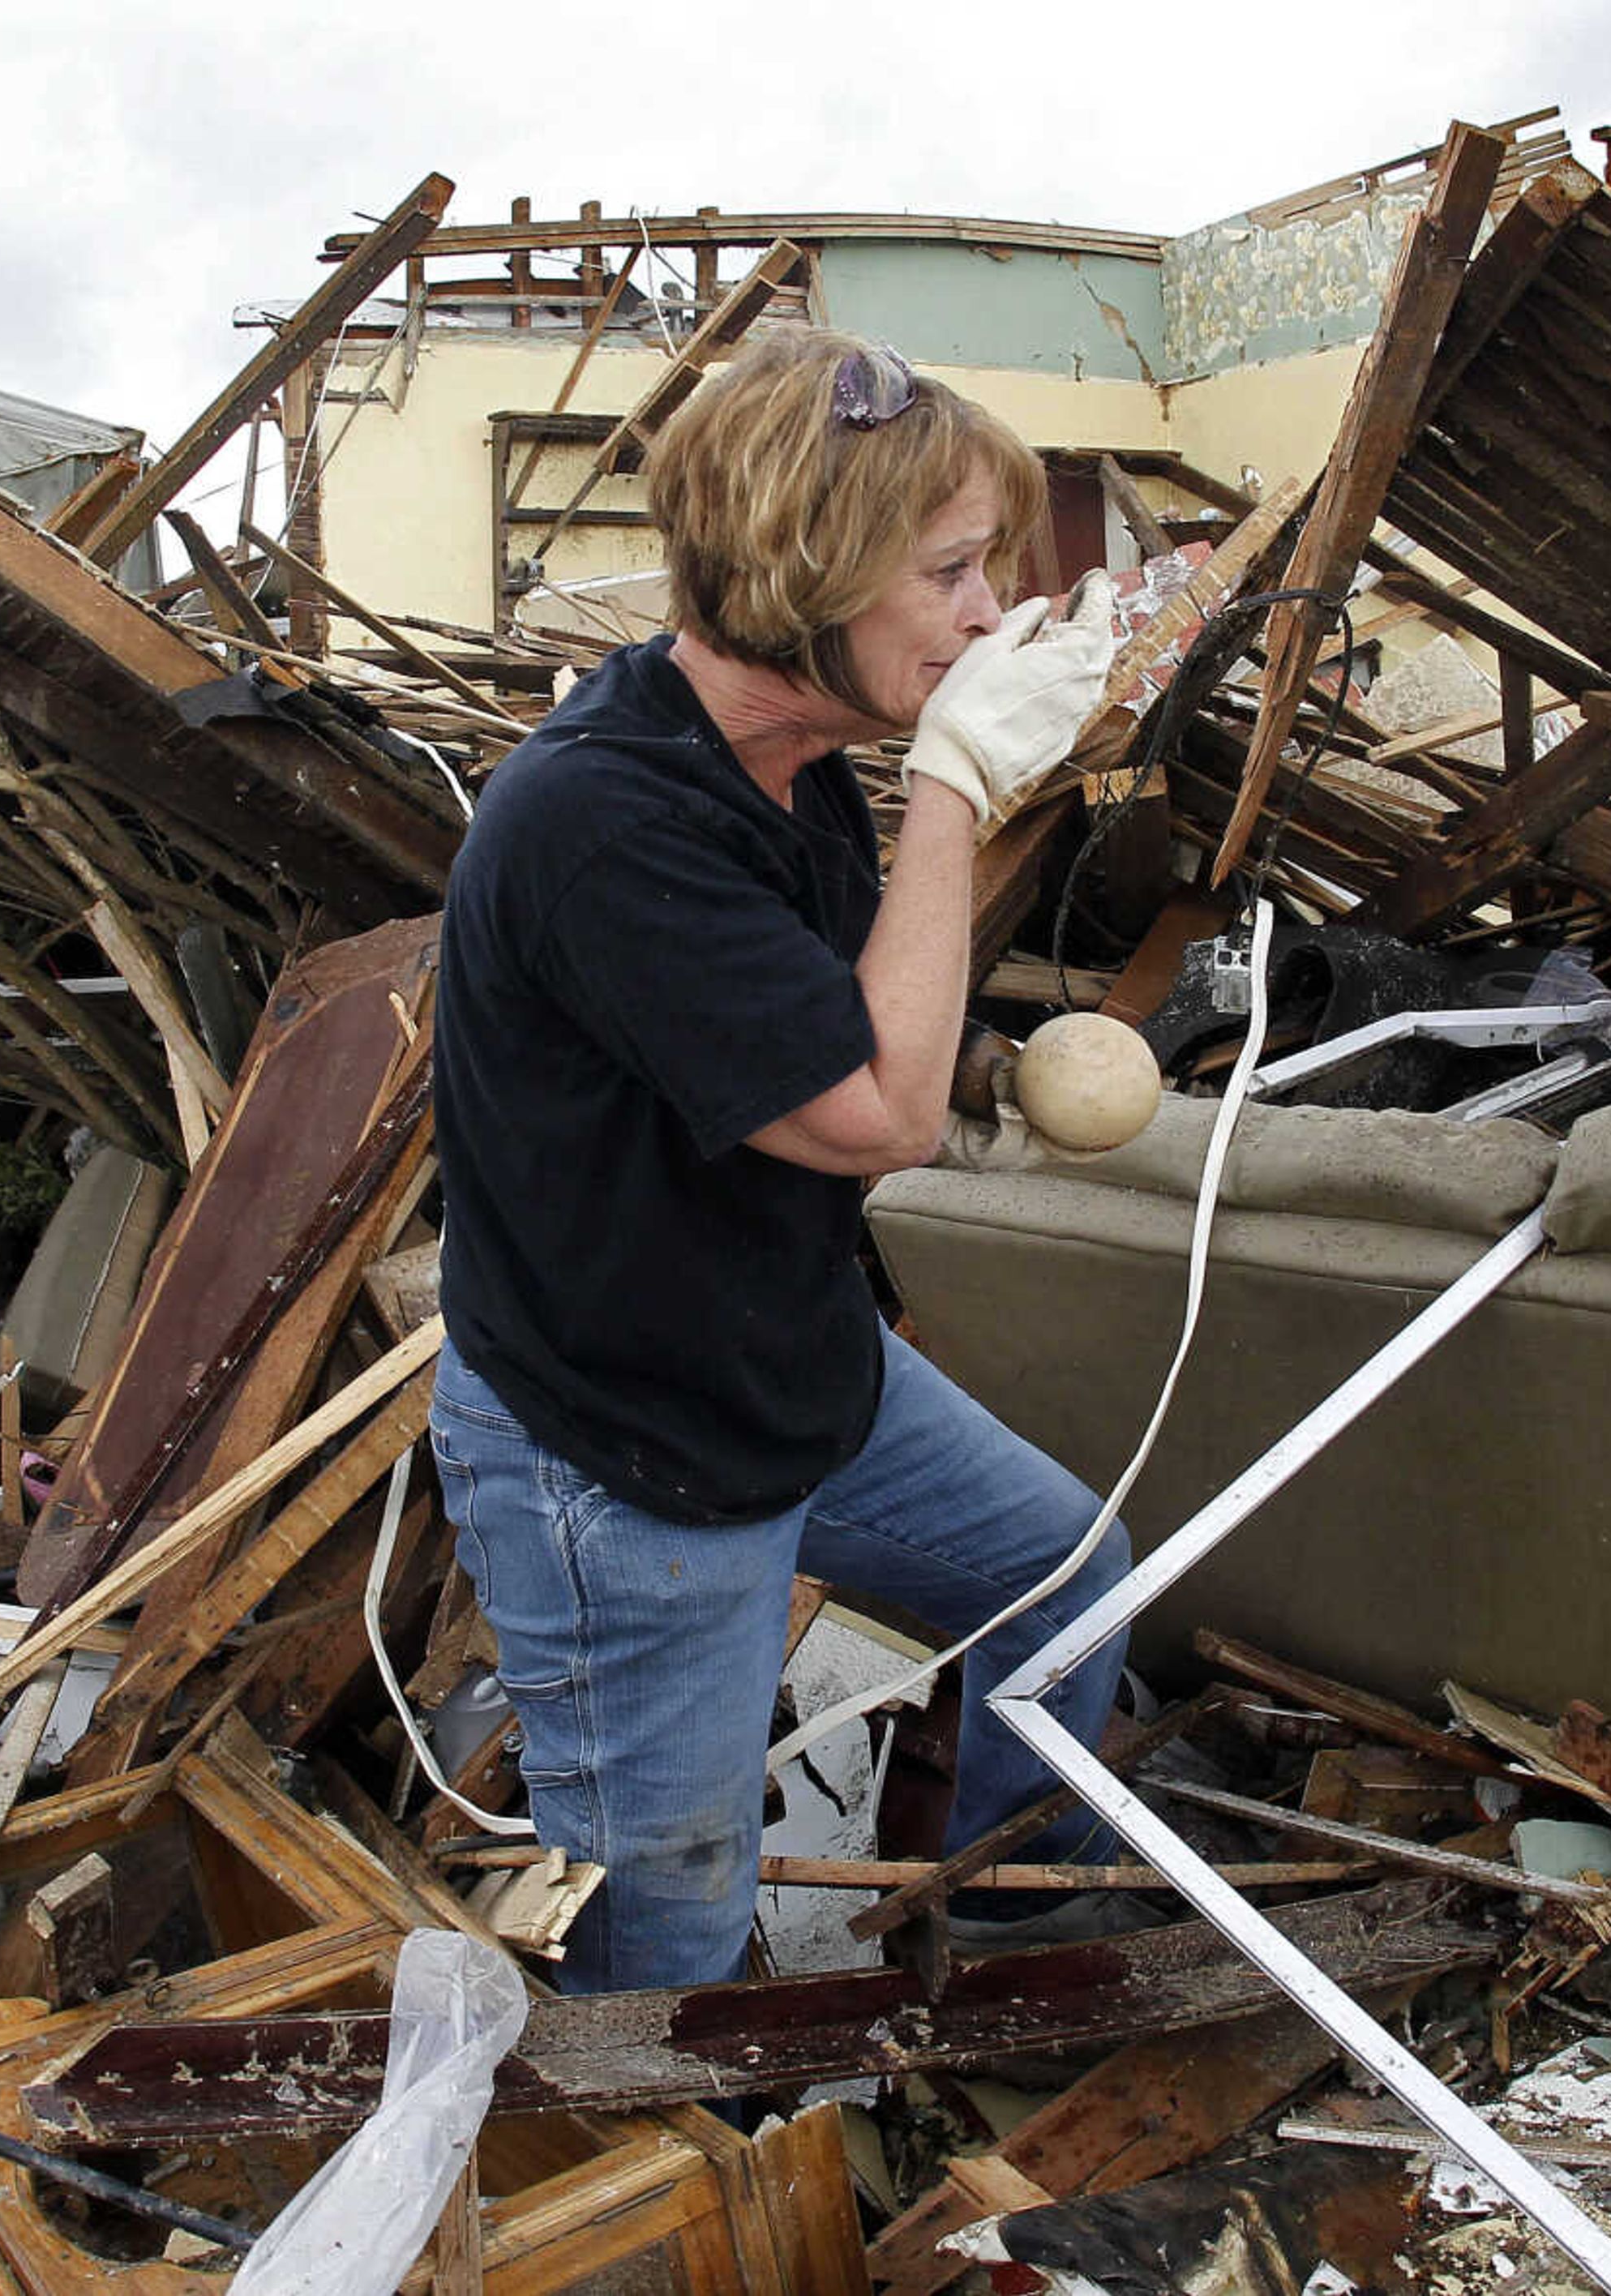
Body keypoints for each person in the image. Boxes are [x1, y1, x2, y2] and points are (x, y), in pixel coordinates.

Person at [428, 329, 1138, 1993]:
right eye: (953, 572)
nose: (984, 617)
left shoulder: (790, 771)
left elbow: (814, 1036)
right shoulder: (600, 818)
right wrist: (959, 786)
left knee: (1063, 1572)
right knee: (666, 1924)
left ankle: (1024, 1939)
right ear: (802, 566)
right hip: (621, 1444)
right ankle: (674, 2188)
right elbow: (868, 1120)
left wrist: (987, 1068)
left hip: (786, 1364)